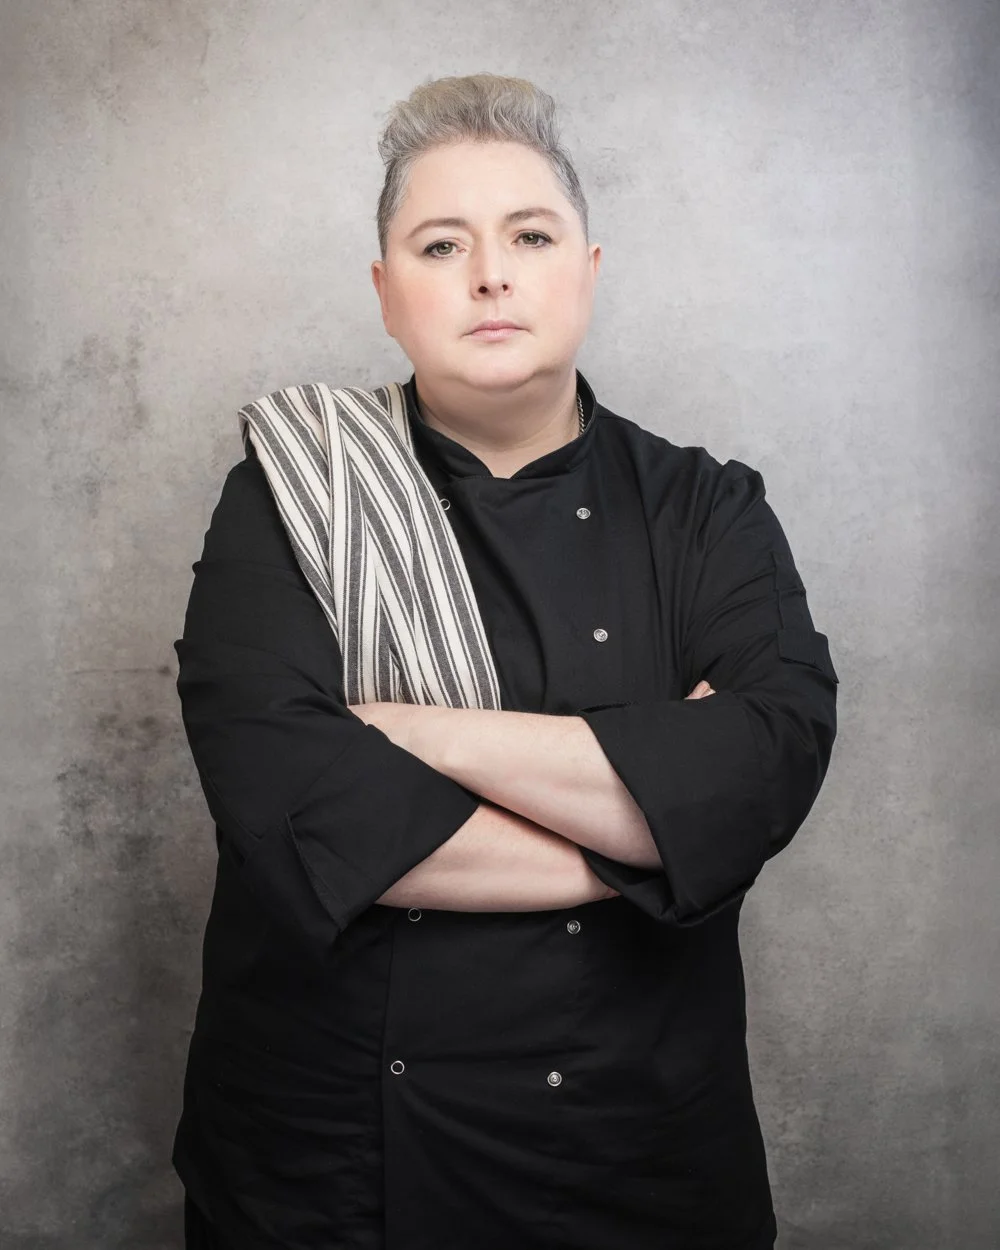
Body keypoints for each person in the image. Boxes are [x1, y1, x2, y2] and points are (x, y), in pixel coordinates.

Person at [172, 72, 839, 1250]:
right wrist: (638, 845)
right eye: (440, 244)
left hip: (635, 1155)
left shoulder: (706, 509)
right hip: (336, 1170)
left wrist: (414, 732)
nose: (489, 272)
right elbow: (293, 811)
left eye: (529, 235)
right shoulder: (286, 498)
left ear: (585, 267)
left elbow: (761, 763)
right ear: (386, 294)